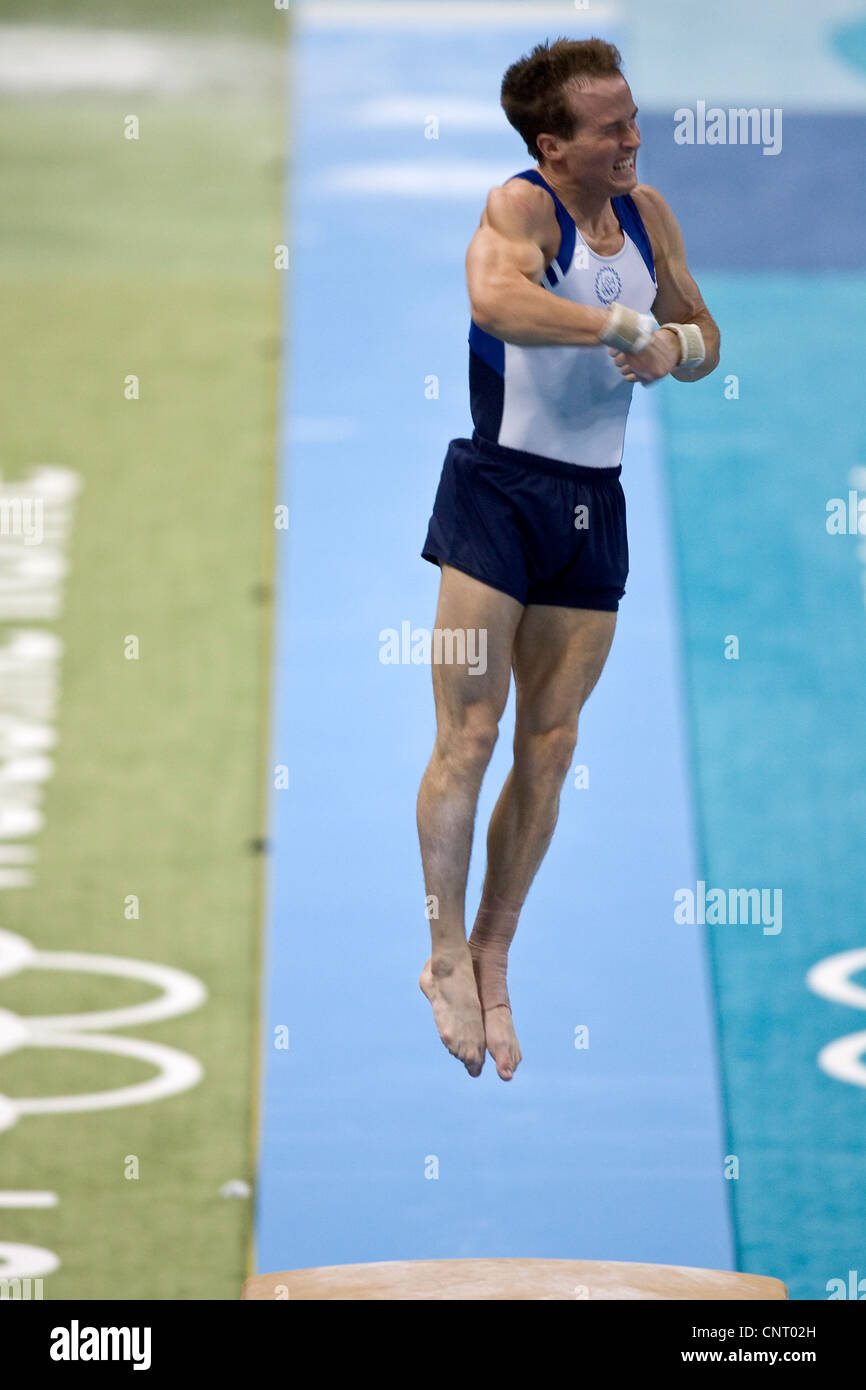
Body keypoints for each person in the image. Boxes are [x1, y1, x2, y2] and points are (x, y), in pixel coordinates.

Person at [417, 37, 720, 1081]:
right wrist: (622, 323)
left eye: (632, 117)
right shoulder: (518, 210)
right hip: (496, 492)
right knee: (471, 731)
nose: (633, 137)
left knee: (547, 744)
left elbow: (704, 332)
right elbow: (496, 305)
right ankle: (442, 949)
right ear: (552, 147)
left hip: (593, 502)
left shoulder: (649, 214)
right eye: (611, 128)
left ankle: (496, 946)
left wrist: (672, 346)